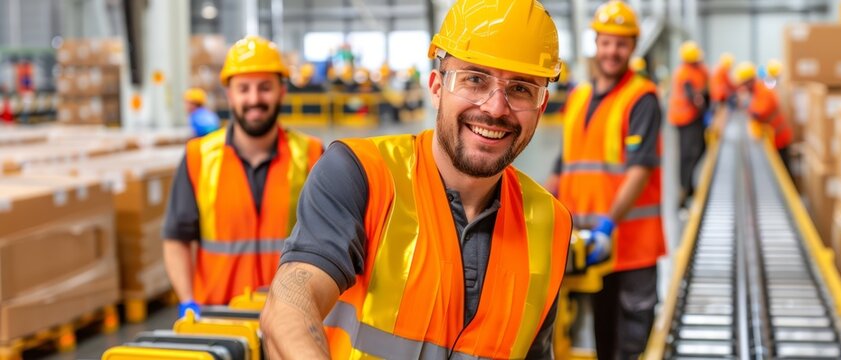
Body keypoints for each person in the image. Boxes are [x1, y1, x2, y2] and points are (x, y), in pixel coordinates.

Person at [260, 1, 572, 358]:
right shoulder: (362, 174)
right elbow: (290, 306)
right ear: (437, 87)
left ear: (541, 106)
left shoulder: (550, 223)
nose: (495, 107)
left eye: (520, 89)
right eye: (474, 79)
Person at [162, 35, 324, 317]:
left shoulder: (312, 155)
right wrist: (187, 300)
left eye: (265, 88)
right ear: (229, 94)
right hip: (217, 318)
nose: (254, 99)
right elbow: (177, 238)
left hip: (291, 319)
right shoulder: (198, 157)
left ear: (281, 91)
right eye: (244, 89)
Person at [545, 1, 665, 358]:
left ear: (632, 47)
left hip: (628, 243)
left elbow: (640, 168)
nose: (613, 51)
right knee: (602, 333)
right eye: (607, 42)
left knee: (630, 341)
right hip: (588, 245)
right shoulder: (579, 96)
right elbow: (565, 160)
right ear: (595, 43)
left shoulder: (642, 97)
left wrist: (608, 224)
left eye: (622, 44)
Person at [669, 40, 709, 207]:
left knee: (700, 148)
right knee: (688, 155)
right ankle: (685, 190)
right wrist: (702, 105)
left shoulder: (699, 70)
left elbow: (706, 88)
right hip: (685, 119)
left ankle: (689, 186)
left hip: (694, 117)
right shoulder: (684, 73)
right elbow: (693, 97)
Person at [734, 61, 793, 173]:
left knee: (783, 171)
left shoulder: (764, 92)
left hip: (778, 138)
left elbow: (758, 113)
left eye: (744, 84)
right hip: (769, 139)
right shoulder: (755, 92)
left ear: (750, 81)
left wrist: (746, 104)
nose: (743, 87)